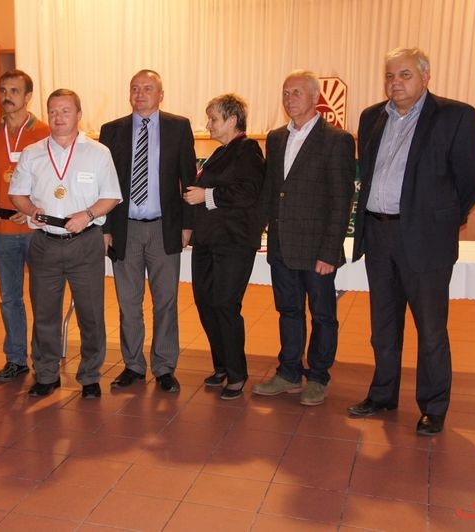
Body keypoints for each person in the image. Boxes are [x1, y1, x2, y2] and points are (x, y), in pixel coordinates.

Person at [347, 48, 475, 435]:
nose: (395, 82)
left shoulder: (454, 116)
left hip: (426, 238)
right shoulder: (371, 117)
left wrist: (446, 217)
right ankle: (382, 394)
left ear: (425, 77)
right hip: (378, 233)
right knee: (383, 325)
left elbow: (474, 175)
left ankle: (433, 406)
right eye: (390, 75)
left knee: (430, 329)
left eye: (405, 74)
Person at [8, 89, 121, 399]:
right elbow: (16, 193)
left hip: (85, 242)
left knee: (91, 314)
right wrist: (31, 209)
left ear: (79, 114)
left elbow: (111, 196)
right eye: (53, 111)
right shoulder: (33, 152)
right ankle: (46, 374)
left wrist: (88, 215)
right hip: (45, 243)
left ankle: (90, 376)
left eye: (65, 111)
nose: (58, 117)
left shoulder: (98, 153)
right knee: (45, 314)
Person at [252, 70, 355, 406]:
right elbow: (270, 191)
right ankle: (289, 372)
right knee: (288, 310)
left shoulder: (336, 140)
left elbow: (341, 201)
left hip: (316, 249)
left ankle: (319, 376)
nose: (289, 99)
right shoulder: (276, 137)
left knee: (323, 315)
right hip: (282, 244)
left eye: (296, 92)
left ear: (315, 97)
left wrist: (329, 250)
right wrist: (256, 234)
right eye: (285, 93)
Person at [99, 70, 196, 393]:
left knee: (165, 301)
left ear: (160, 94)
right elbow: (104, 184)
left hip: (163, 228)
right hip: (124, 228)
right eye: (135, 88)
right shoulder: (112, 131)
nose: (140, 94)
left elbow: (188, 178)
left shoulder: (178, 127)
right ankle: (133, 366)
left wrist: (188, 225)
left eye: (148, 88)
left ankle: (164, 367)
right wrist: (106, 228)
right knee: (128, 303)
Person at [182, 94, 265, 400]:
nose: (208, 125)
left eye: (213, 119)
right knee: (206, 303)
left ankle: (237, 373)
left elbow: (249, 192)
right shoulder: (220, 152)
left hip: (232, 242)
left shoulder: (248, 149)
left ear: (232, 120)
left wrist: (207, 196)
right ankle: (222, 365)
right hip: (208, 240)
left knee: (225, 305)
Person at [0, 70, 50, 383]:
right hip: (3, 231)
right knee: (9, 298)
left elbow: (55, 181)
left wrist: (31, 209)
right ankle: (16, 359)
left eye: (15, 91)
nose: (7, 96)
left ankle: (45, 360)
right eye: (3, 90)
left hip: (37, 230)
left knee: (43, 298)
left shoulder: (45, 133)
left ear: (28, 96)